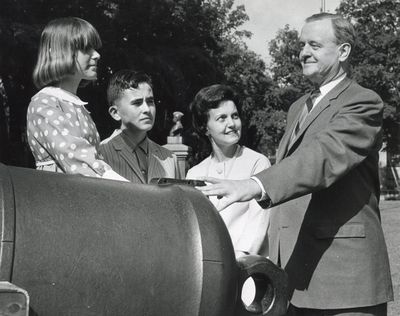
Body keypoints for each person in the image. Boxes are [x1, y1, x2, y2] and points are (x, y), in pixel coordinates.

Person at [197, 13, 393, 316]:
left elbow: (323, 157)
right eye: (301, 45)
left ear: (343, 52)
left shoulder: (363, 102)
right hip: (294, 280)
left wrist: (255, 184)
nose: (303, 52)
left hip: (344, 284)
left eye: (314, 44)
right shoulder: (297, 108)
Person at [27, 17, 126, 181]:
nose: (97, 55)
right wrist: (122, 185)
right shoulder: (44, 103)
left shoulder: (76, 105)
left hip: (81, 194)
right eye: (86, 48)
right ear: (62, 51)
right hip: (59, 196)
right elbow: (76, 155)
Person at [186, 84, 271, 258]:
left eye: (235, 116)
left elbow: (257, 226)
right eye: (222, 118)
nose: (232, 124)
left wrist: (235, 262)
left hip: (247, 267)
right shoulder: (194, 173)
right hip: (208, 265)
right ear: (205, 127)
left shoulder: (257, 163)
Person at [99, 70, 180, 183]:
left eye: (150, 101)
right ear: (115, 113)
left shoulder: (169, 158)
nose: (147, 109)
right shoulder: (100, 154)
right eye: (137, 103)